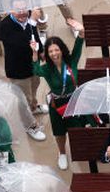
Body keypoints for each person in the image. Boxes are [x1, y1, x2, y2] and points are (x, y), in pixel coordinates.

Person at [32, 18, 88, 169]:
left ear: (61, 50)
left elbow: (79, 43)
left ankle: (81, 148)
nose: (54, 53)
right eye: (50, 51)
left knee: (77, 127)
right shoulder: (47, 69)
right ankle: (62, 153)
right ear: (47, 53)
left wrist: (81, 30)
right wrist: (35, 55)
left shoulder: (71, 61)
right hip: (56, 104)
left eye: (56, 50)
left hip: (73, 101)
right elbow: (36, 70)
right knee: (59, 131)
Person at [0, 0, 52, 139]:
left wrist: (42, 52)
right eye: (18, 10)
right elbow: (20, 45)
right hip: (18, 70)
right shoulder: (5, 25)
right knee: (23, 100)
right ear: (11, 10)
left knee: (34, 88)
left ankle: (33, 107)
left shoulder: (29, 20)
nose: (22, 13)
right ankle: (30, 126)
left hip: (33, 65)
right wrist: (32, 23)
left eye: (24, 9)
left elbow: (35, 38)